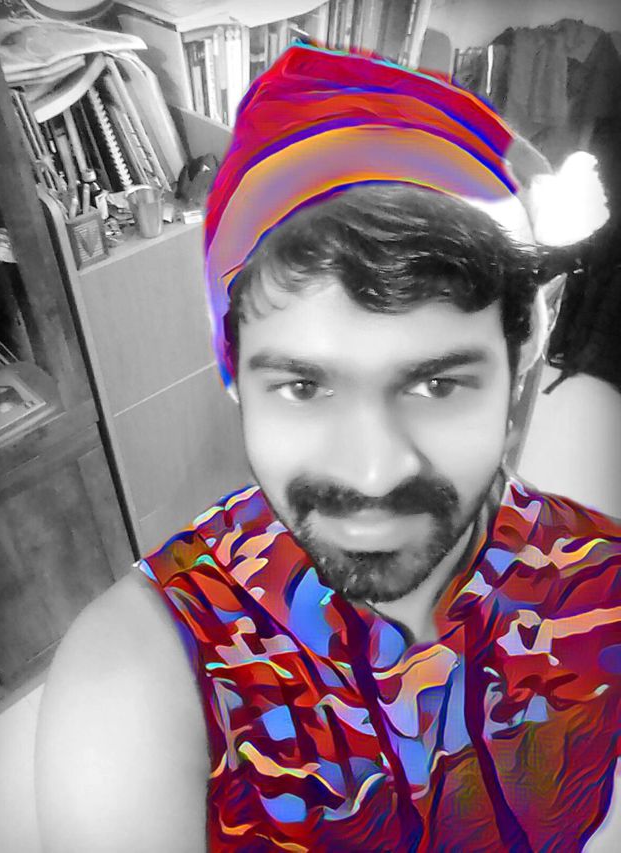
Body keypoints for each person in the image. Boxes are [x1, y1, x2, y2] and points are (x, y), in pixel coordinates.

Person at [36, 44, 620, 852]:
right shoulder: (147, 673)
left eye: (436, 384)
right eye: (304, 387)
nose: (372, 471)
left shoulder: (598, 585)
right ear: (236, 378)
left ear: (520, 362)